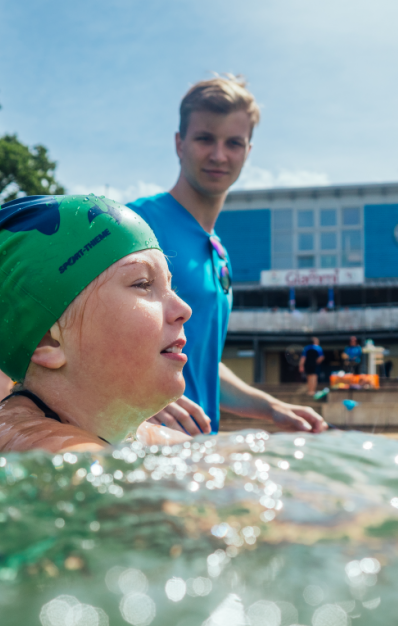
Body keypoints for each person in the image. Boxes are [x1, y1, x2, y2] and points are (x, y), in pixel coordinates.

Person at [128, 75, 325, 436]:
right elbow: (75, 333)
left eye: (233, 143)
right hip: (136, 448)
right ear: (179, 143)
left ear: (248, 152)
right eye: (205, 138)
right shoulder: (134, 225)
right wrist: (134, 394)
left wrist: (272, 408)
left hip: (196, 450)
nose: (219, 155)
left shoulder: (219, 253)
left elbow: (201, 362)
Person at [0, 194, 193, 452]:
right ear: (48, 340)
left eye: (171, 286)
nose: (184, 309)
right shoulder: (41, 448)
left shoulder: (123, 435)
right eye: (143, 284)